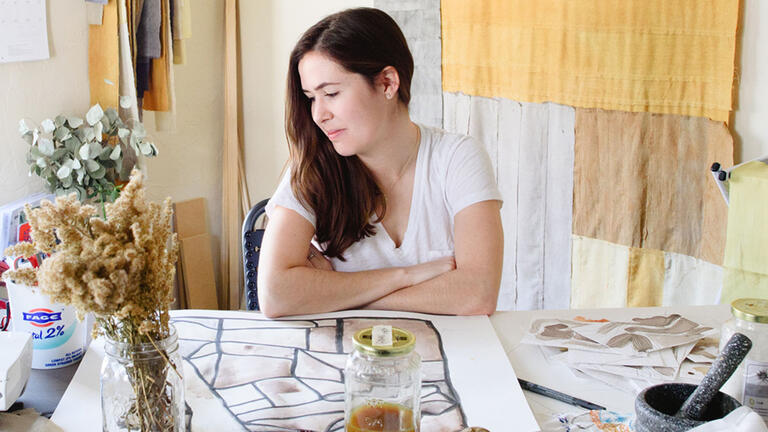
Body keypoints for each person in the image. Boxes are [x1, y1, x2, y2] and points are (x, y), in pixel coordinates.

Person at [258, 7, 503, 318]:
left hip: (455, 356)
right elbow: (275, 295)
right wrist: (405, 276)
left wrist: (335, 290)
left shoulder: (458, 159)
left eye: (331, 93)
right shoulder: (311, 168)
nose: (318, 115)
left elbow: (477, 295)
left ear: (388, 83)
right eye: (310, 98)